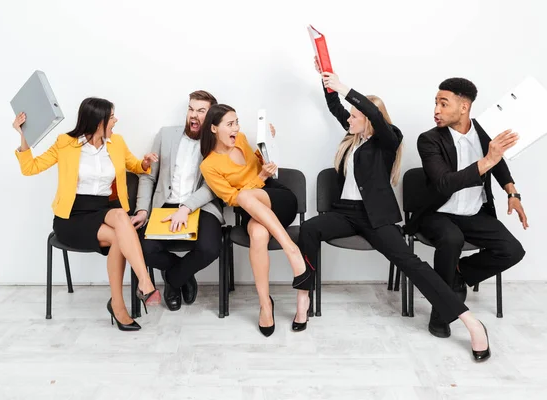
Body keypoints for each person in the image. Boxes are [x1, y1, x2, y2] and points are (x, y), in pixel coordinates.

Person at [297, 58, 491, 361]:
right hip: (345, 213)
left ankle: (470, 322)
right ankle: (303, 298)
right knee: (309, 229)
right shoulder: (353, 138)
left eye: (355, 116)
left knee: (411, 264)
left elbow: (372, 112)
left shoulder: (388, 140)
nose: (349, 120)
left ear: (369, 120)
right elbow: (338, 108)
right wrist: (326, 79)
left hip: (375, 217)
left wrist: (344, 86)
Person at [13, 97, 160, 331]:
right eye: (111, 117)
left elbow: (134, 165)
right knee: (119, 238)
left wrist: (144, 163)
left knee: (121, 216)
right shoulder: (66, 143)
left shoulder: (116, 142)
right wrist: (23, 136)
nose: (116, 120)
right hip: (72, 216)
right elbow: (31, 168)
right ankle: (124, 301)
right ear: (97, 121)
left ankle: (142, 282)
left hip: (103, 208)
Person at [407, 77, 527, 338]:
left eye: (443, 103)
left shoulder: (485, 132)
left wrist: (512, 192)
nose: (436, 110)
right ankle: (440, 312)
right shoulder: (428, 140)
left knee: (513, 250)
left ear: (464, 107)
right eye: (435, 103)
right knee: (452, 239)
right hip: (438, 213)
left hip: (474, 213)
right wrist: (487, 161)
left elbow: (500, 163)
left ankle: (459, 274)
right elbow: (443, 183)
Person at [199, 104, 313, 337]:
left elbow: (257, 165)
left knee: (245, 194)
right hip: (251, 209)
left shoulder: (240, 139)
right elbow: (232, 199)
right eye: (230, 124)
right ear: (213, 128)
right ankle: (265, 305)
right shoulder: (208, 165)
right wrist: (259, 177)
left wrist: (267, 146)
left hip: (278, 198)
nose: (236, 128)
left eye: (237, 122)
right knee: (258, 233)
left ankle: (292, 250)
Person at [132, 90, 224, 311]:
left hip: (201, 206)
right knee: (143, 248)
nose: (193, 115)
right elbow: (148, 176)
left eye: (201, 111)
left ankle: (173, 280)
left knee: (211, 248)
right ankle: (183, 273)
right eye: (191, 109)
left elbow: (212, 185)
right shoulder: (165, 135)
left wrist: (186, 207)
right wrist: (143, 210)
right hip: (165, 204)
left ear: (211, 116)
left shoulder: (218, 143)